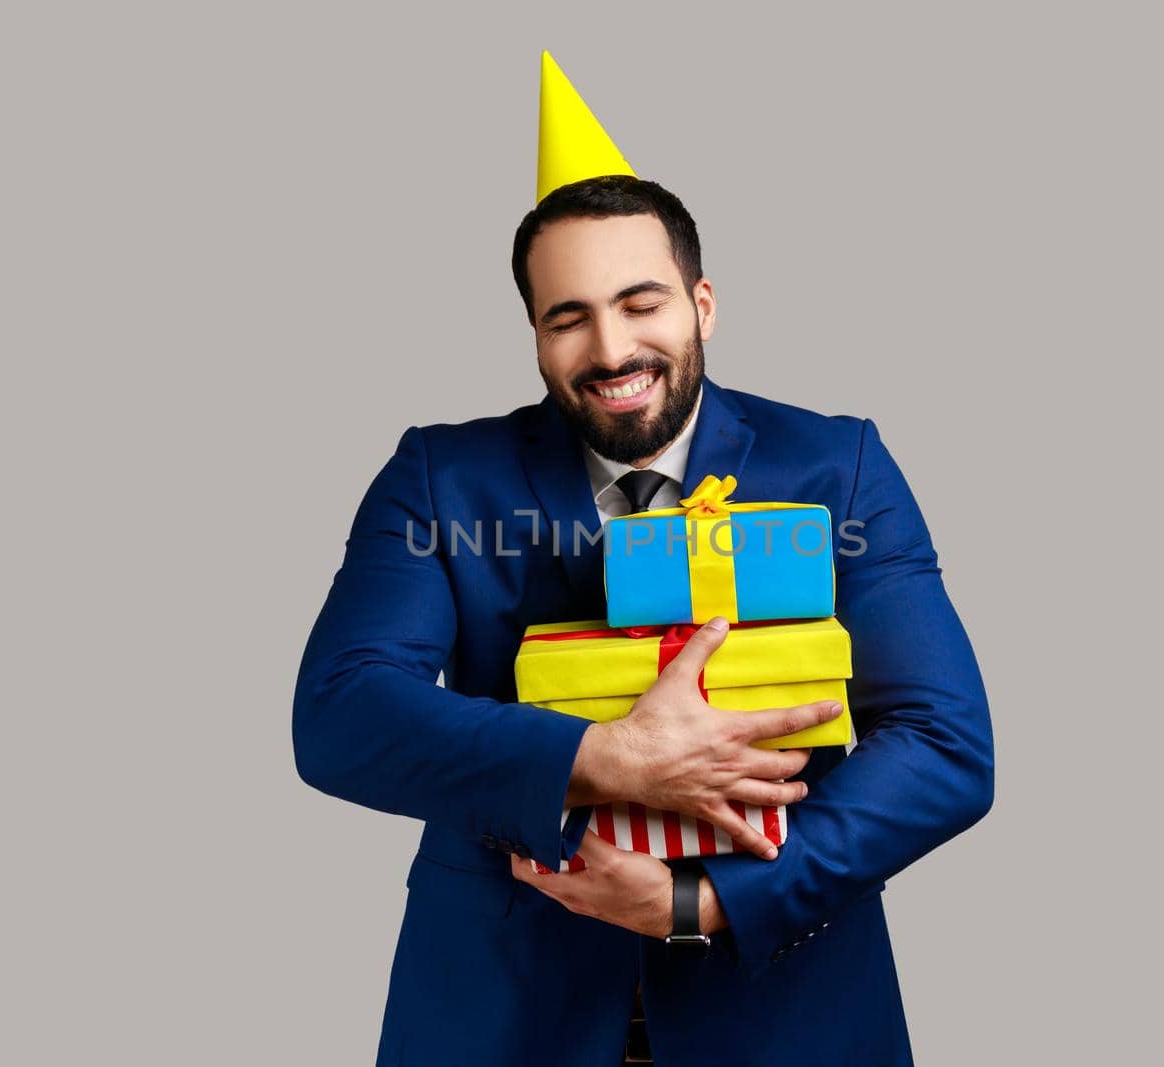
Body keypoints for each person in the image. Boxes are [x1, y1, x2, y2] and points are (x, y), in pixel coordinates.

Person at [292, 53, 994, 1067]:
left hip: (784, 1008)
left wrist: (699, 901)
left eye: (641, 301)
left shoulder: (833, 466)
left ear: (702, 303)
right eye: (566, 316)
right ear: (535, 334)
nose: (611, 346)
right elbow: (341, 713)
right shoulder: (440, 480)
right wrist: (606, 756)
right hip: (503, 1013)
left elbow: (944, 742)